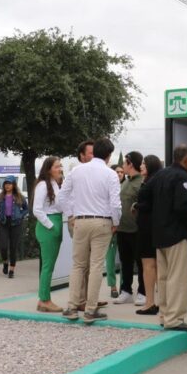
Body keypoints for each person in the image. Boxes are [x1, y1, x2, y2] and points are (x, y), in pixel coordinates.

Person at [59, 137, 121, 324]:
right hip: (102, 222)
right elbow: (115, 204)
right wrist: (116, 222)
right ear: (109, 155)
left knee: (78, 264)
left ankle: (71, 306)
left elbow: (62, 196)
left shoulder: (76, 171)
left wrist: (71, 215)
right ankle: (90, 309)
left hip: (80, 221)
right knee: (95, 266)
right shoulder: (110, 174)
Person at [137, 144, 187, 332]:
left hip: (158, 235)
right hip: (176, 234)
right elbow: (182, 207)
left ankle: (164, 315)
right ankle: (175, 318)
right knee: (177, 278)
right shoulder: (182, 176)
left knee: (163, 278)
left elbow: (143, 197)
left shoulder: (160, 175)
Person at [32, 157, 64, 312]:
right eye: (57, 166)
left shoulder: (54, 185)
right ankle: (44, 300)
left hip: (54, 224)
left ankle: (44, 299)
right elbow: (36, 209)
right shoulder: (43, 185)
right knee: (47, 266)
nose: (60, 169)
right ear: (49, 169)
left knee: (49, 266)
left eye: (61, 166)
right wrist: (51, 226)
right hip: (49, 227)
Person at [114, 152, 146, 306]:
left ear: (130, 164)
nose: (123, 167)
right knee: (125, 262)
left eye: (125, 164)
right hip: (122, 229)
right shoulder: (125, 182)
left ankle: (143, 292)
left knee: (140, 263)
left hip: (137, 230)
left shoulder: (142, 183)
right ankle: (125, 291)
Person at [134, 154, 162, 316]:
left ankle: (150, 302)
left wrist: (137, 205)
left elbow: (148, 204)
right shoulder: (153, 181)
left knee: (148, 266)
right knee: (154, 266)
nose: (141, 165)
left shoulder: (151, 183)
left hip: (147, 228)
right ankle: (155, 302)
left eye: (144, 163)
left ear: (151, 165)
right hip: (151, 227)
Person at [0, 176, 29, 279]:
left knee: (13, 247)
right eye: (5, 183)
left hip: (16, 224)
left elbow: (26, 209)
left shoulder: (19, 197)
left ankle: (11, 269)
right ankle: (5, 263)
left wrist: (20, 215)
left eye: (9, 183)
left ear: (13, 185)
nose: (7, 185)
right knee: (3, 246)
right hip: (4, 223)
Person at [105, 164, 124, 297]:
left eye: (122, 172)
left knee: (125, 259)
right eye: (117, 172)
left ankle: (124, 285)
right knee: (110, 258)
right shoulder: (107, 187)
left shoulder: (127, 185)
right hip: (110, 227)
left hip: (124, 228)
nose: (120, 174)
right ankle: (113, 286)